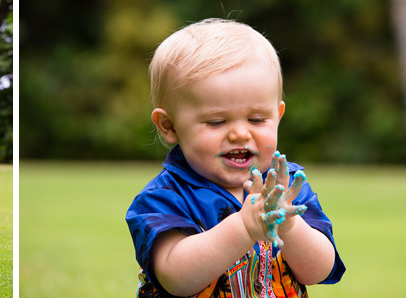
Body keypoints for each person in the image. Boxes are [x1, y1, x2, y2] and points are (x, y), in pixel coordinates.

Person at [125, 19, 345, 297]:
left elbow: (318, 271)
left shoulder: (285, 190)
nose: (240, 133)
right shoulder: (165, 198)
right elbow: (175, 278)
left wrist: (288, 224)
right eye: (217, 122)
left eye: (256, 119)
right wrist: (243, 227)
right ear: (169, 126)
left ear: (277, 116)